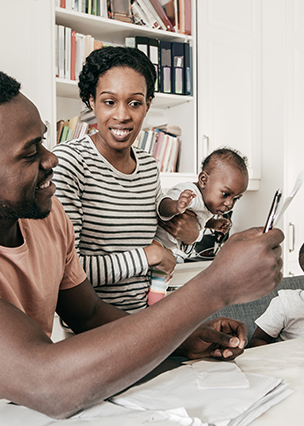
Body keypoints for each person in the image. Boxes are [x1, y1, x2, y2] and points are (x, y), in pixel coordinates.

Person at [0, 68, 284, 419]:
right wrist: (216, 286)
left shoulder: (48, 220)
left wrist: (184, 337)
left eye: (44, 142)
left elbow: (88, 315)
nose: (50, 159)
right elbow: (45, 383)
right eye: (30, 152)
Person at [52, 46, 199, 312]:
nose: (122, 115)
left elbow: (164, 249)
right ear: (90, 100)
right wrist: (147, 256)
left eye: (135, 103)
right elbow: (65, 271)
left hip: (147, 321)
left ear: (148, 104)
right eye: (109, 102)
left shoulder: (149, 167)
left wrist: (189, 238)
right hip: (91, 330)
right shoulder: (68, 162)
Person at [154, 147, 249, 260]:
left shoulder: (206, 205)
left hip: (167, 251)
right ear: (204, 180)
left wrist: (213, 224)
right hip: (155, 244)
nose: (229, 203)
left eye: (235, 199)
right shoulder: (190, 193)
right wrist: (175, 206)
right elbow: (161, 206)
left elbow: (200, 219)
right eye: (225, 194)